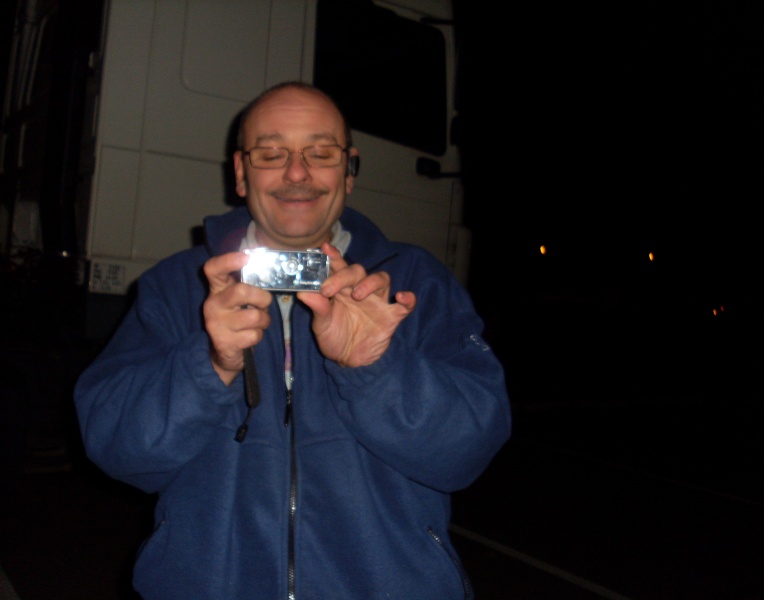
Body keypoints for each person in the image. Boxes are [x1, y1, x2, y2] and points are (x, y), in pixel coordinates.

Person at [74, 81, 511, 599]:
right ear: (240, 173)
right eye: (271, 153)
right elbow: (116, 450)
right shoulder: (176, 287)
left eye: (320, 153)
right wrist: (210, 365)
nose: (297, 172)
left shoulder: (416, 284)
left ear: (349, 172)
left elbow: (469, 451)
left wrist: (376, 366)